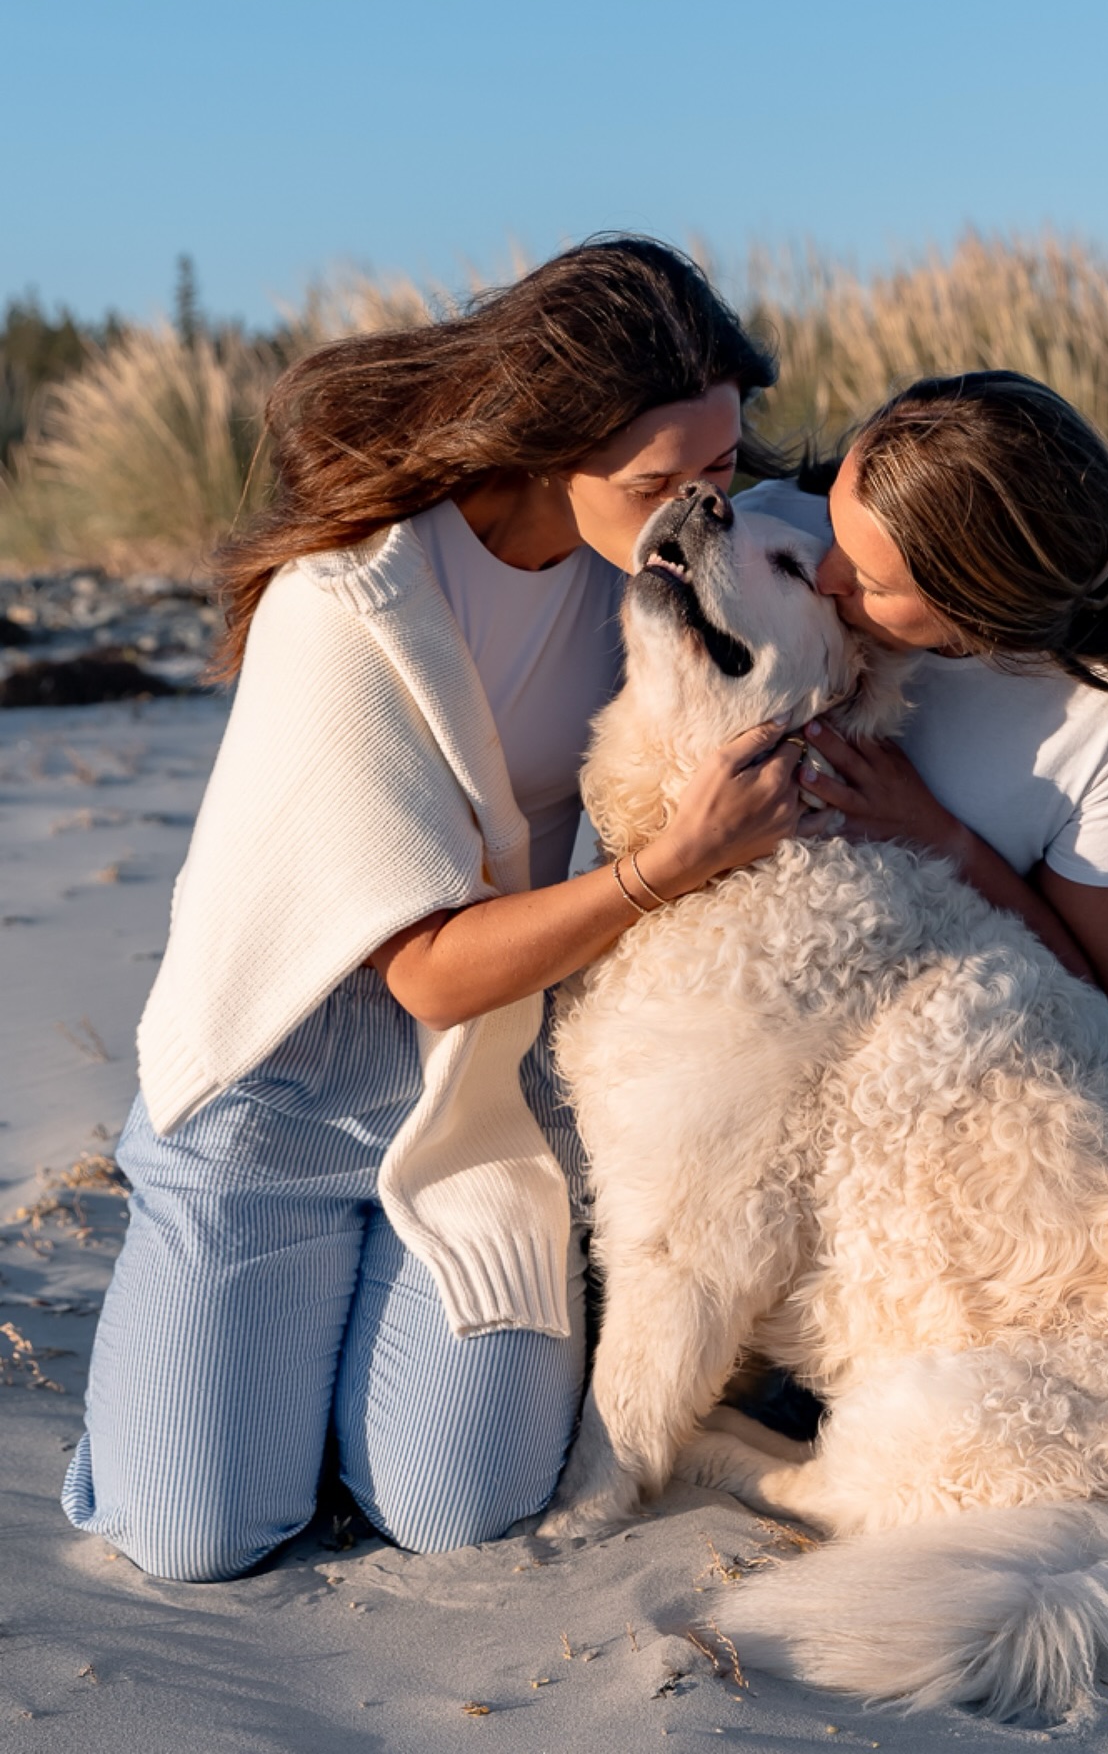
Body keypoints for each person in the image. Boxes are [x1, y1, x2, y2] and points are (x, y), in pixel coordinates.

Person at [62, 237, 809, 1583]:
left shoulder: (640, 560)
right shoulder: (349, 601)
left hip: (481, 1099)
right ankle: (213, 1353)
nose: (700, 511)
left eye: (722, 471)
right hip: (276, 1099)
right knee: (194, 1535)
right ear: (545, 449)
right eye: (663, 481)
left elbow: (865, 554)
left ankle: (339, 1396)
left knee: (455, 1510)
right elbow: (425, 974)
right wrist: (669, 864)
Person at [743, 370, 1108, 1015]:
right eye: (833, 527)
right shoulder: (763, 535)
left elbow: (1098, 993)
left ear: (981, 617)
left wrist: (938, 837)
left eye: (870, 581)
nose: (821, 573)